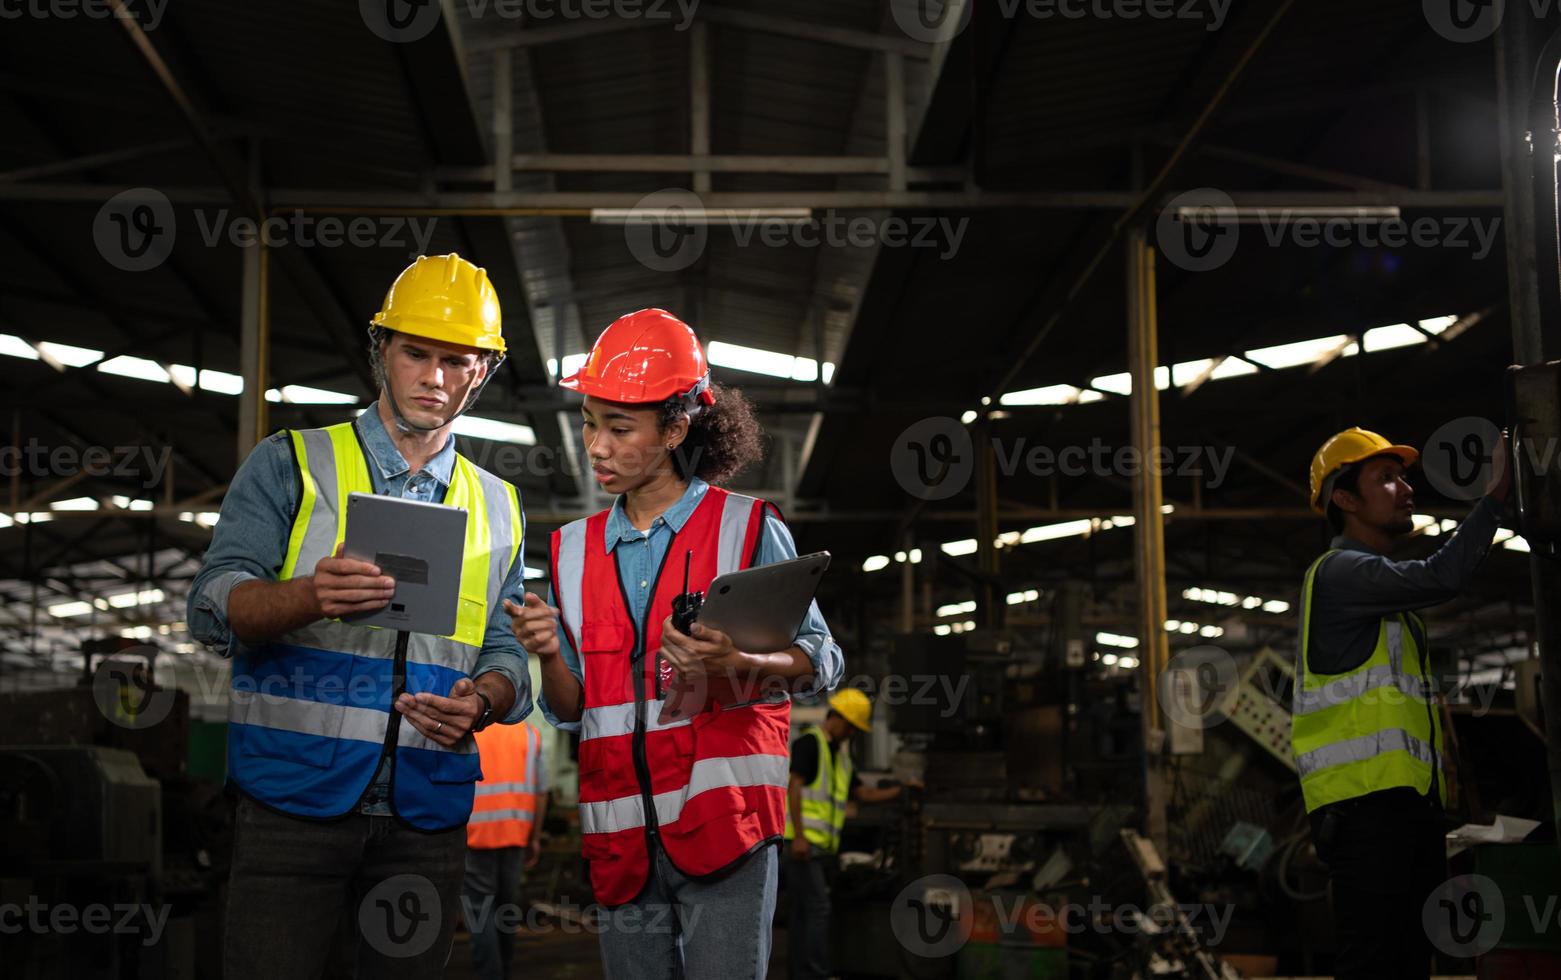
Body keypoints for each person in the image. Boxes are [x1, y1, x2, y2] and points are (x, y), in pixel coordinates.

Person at [187, 253, 532, 979]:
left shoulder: (497, 504)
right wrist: (306, 595)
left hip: (425, 813)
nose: (433, 377)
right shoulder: (291, 464)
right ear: (381, 350)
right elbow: (212, 607)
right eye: (415, 353)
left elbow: (503, 650)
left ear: (483, 372)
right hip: (291, 806)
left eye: (455, 360)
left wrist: (485, 698)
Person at [506, 308, 844, 980]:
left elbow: (822, 661)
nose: (595, 446)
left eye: (618, 427)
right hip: (618, 838)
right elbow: (573, 708)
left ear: (676, 428)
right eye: (588, 423)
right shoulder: (570, 552)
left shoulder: (748, 527)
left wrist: (741, 665)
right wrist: (546, 652)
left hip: (725, 828)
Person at [1294, 426, 1510, 980]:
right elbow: (1445, 574)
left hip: (1404, 810)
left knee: (1408, 965)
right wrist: (1494, 499)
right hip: (1366, 811)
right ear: (1343, 500)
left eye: (1404, 476)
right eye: (1385, 478)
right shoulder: (1340, 574)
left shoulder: (1392, 607)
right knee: (1377, 965)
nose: (1405, 488)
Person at [783, 689, 913, 980]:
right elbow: (794, 787)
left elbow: (861, 792)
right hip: (803, 844)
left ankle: (801, 973)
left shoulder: (840, 756)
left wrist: (901, 790)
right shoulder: (810, 744)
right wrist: (800, 837)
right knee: (817, 908)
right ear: (837, 718)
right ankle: (815, 973)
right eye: (852, 726)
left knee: (804, 912)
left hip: (821, 847)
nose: (853, 733)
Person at [465, 720, 548, 980]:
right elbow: (541, 790)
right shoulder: (529, 733)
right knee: (505, 908)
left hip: (474, 833)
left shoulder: (470, 729)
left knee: (480, 911)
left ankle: (490, 974)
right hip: (515, 831)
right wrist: (534, 836)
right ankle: (505, 971)